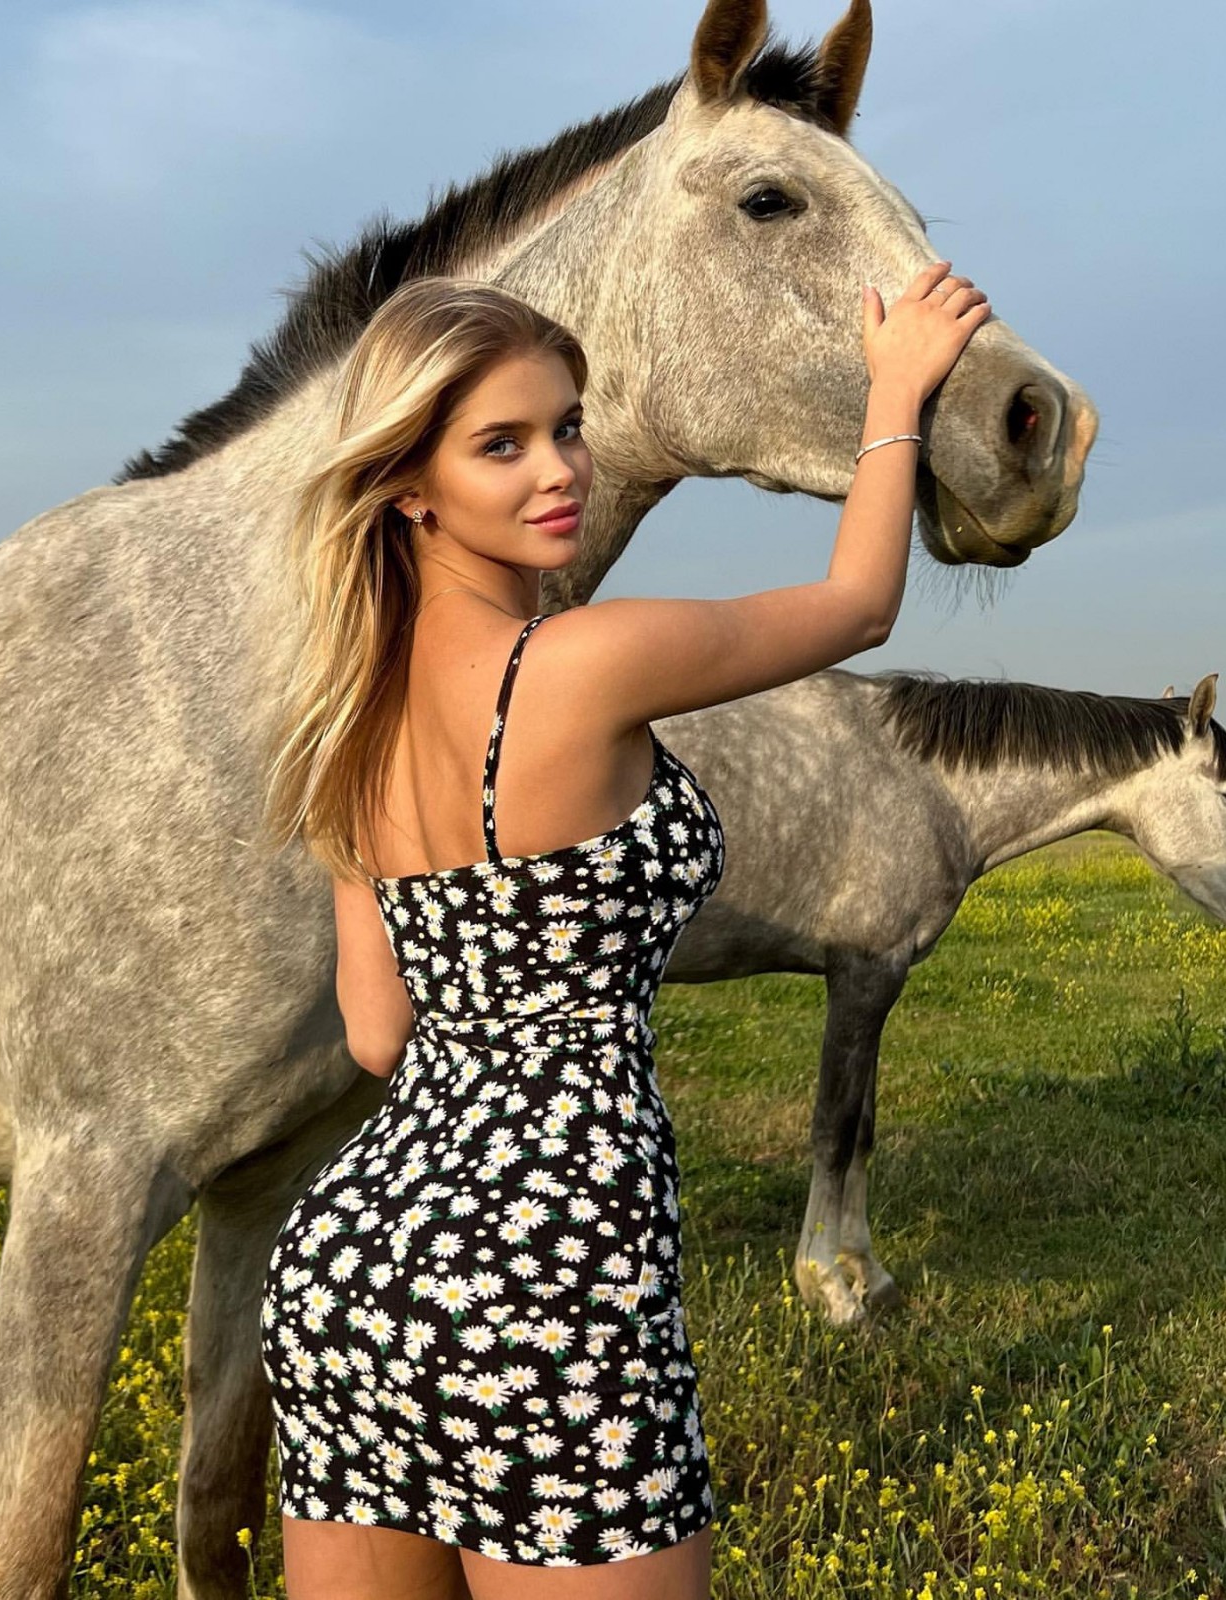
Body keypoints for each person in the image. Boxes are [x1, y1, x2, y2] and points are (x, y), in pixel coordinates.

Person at [258, 260, 989, 1600]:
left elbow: (377, 1034)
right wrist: (894, 394)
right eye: (501, 444)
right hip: (548, 1267)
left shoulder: (347, 721)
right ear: (408, 485)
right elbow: (857, 608)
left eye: (568, 425)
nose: (560, 470)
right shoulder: (581, 664)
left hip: (351, 1272)